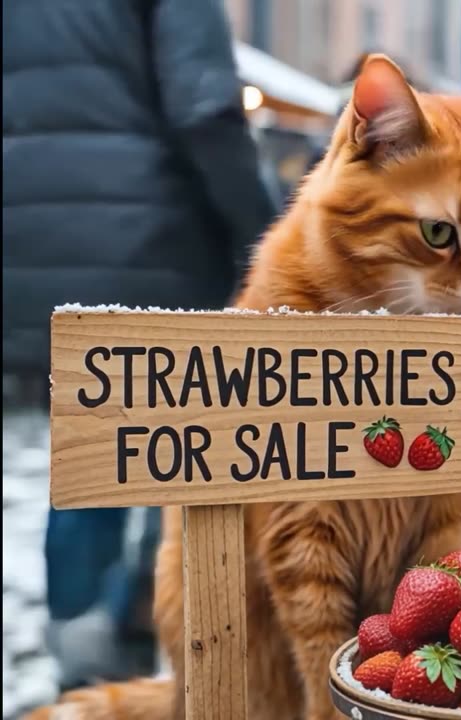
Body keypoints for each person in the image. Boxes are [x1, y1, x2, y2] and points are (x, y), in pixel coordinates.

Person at [3, 0, 275, 691]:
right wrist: (268, 237)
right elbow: (206, 109)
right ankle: (133, 630)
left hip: (36, 253)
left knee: (87, 461)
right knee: (179, 462)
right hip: (158, 253)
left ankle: (83, 652)